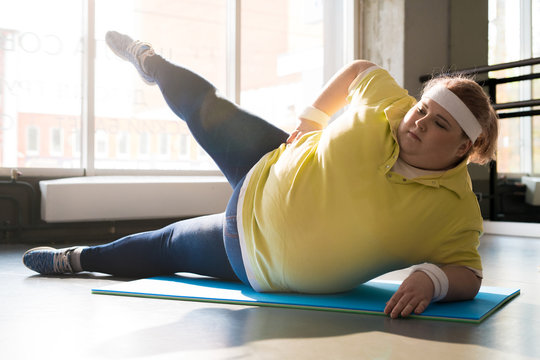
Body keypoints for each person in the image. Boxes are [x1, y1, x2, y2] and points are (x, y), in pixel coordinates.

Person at [23, 31, 498, 319]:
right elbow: (362, 70)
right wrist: (312, 118)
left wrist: (433, 282)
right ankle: (152, 62)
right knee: (204, 109)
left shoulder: (453, 211)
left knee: (164, 246)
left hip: (250, 259)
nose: (418, 121)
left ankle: (76, 258)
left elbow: (469, 274)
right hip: (266, 164)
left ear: (463, 147)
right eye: (422, 109)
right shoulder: (388, 105)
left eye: (439, 123)